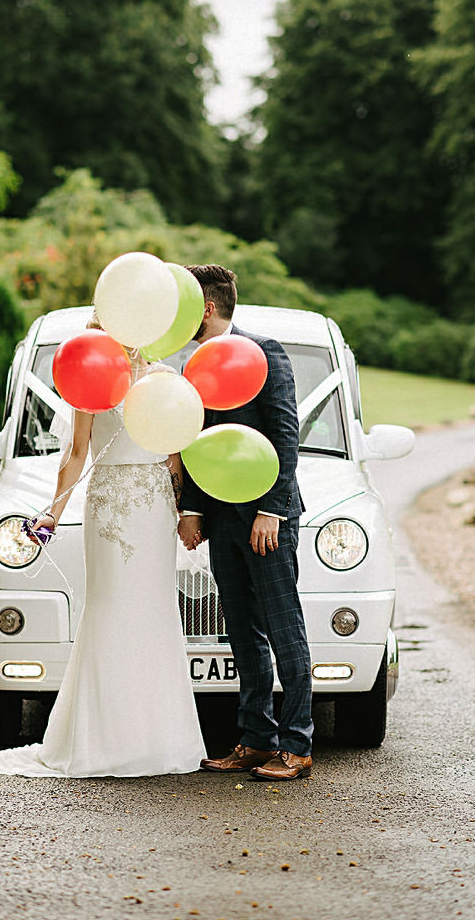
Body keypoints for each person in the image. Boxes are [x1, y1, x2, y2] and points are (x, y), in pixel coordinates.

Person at [0, 321, 206, 778]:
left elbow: (177, 455)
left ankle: (161, 739)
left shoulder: (169, 380)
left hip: (155, 506)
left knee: (156, 610)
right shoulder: (91, 376)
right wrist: (52, 513)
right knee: (110, 608)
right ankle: (101, 739)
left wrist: (185, 512)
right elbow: (76, 453)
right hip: (110, 505)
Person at [177, 264, 312, 782]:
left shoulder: (264, 353)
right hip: (222, 521)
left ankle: (296, 747)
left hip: (266, 519)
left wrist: (271, 511)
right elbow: (194, 439)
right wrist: (192, 509)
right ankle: (255, 740)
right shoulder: (195, 364)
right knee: (241, 633)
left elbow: (284, 435)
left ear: (207, 308)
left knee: (284, 629)